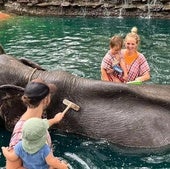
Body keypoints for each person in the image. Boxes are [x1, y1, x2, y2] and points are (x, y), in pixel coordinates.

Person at [1, 78, 68, 169]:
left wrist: (55, 119)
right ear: (45, 100)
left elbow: (44, 124)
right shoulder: (21, 133)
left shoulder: (35, 124)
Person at [2, 117, 68, 169]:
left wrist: (4, 150)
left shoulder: (19, 146)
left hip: (28, 168)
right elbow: (51, 161)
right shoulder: (44, 148)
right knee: (57, 163)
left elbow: (11, 157)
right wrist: (62, 166)